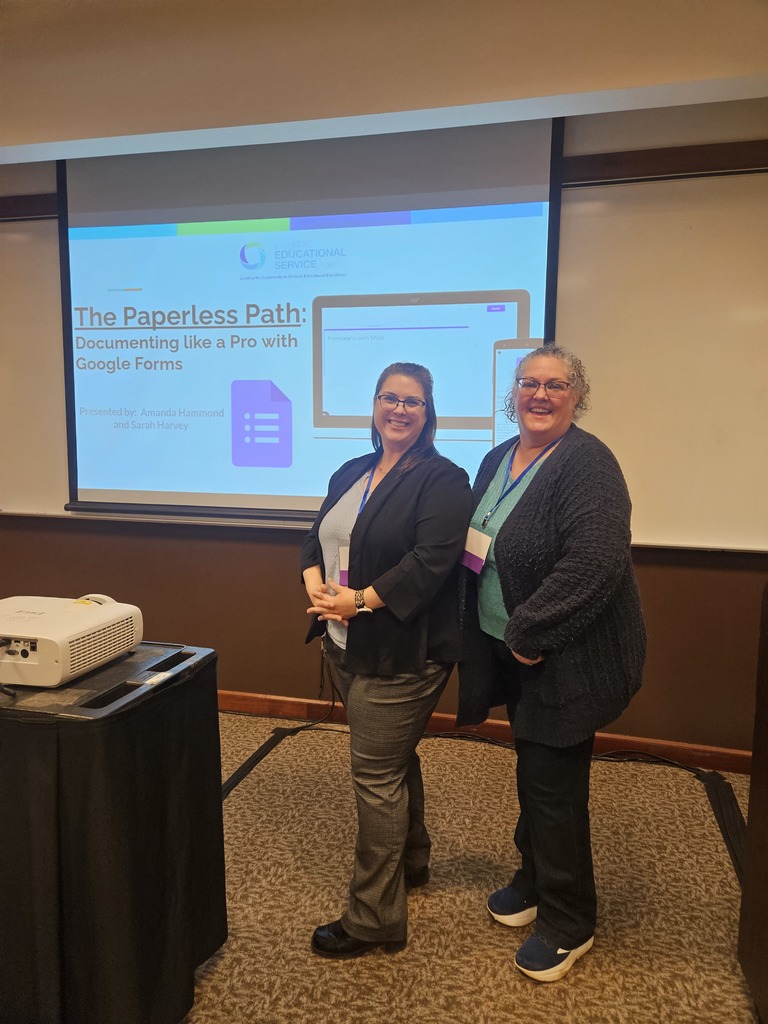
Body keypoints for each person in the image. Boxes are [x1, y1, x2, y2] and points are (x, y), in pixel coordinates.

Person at [457, 344, 646, 983]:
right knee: (535, 772)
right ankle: (533, 877)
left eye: (556, 385)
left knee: (555, 787)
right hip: (512, 650)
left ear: (577, 396)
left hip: (565, 656)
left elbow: (596, 562)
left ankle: (569, 920)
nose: (540, 395)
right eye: (529, 383)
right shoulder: (496, 458)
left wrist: (530, 630)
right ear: (513, 393)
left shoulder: (588, 464)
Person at [301, 361, 472, 960]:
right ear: (374, 405)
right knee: (392, 760)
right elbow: (314, 535)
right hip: (344, 642)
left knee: (374, 778)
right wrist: (315, 588)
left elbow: (430, 563)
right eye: (389, 398)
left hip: (404, 653)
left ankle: (374, 919)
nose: (399, 410)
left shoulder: (444, 479)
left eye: (413, 402)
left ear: (429, 414)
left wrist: (360, 601)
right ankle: (414, 859)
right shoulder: (351, 470)